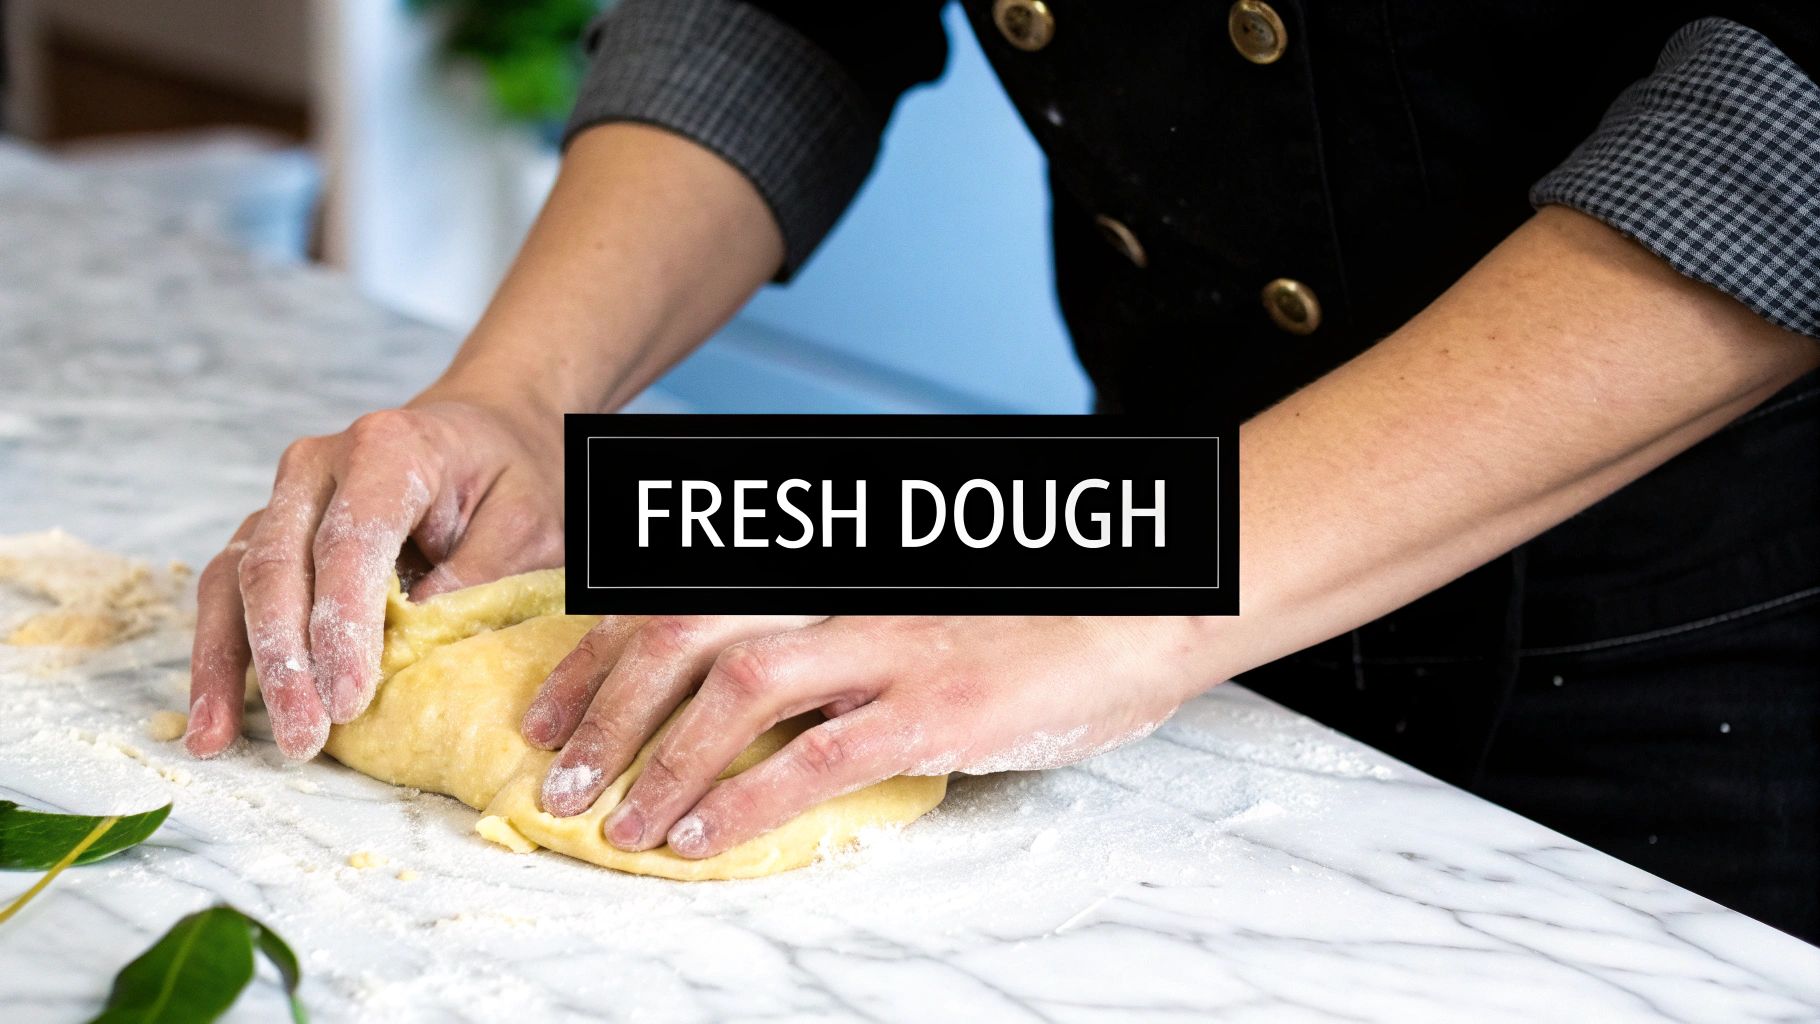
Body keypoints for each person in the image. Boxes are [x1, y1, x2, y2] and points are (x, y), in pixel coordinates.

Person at [186, 1, 1820, 939]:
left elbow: (1788, 105)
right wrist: (531, 393)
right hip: (1123, 548)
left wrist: (1135, 604)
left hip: (1709, 632)